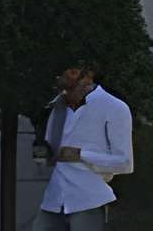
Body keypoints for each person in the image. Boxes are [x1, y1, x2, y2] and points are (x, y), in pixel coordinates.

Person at [38, 58, 132, 231]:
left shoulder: (115, 108)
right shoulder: (57, 109)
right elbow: (51, 148)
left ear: (87, 77)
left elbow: (124, 162)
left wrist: (80, 155)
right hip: (54, 200)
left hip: (87, 199)